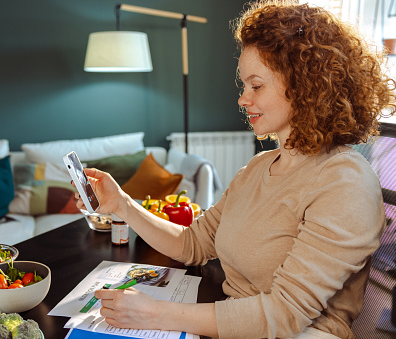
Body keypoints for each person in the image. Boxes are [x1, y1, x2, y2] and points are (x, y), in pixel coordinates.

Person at [75, 1, 396, 338]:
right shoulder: (258, 168)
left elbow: (284, 315)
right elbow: (193, 243)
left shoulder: (345, 182)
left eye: (256, 85)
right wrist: (123, 205)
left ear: (306, 88)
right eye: (244, 85)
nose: (243, 99)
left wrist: (155, 313)